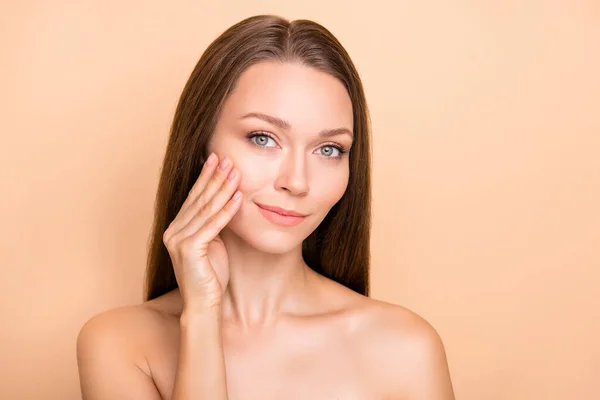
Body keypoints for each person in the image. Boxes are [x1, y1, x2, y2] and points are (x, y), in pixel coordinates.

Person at [76, 14, 455, 400]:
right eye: (263, 138)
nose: (297, 181)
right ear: (201, 141)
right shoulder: (120, 343)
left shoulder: (405, 347)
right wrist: (203, 315)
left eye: (329, 149)